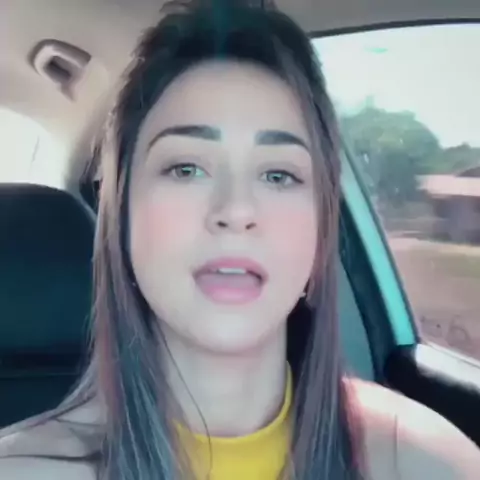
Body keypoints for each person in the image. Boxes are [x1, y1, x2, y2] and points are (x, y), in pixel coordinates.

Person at [0, 1, 479, 479]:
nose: (236, 211)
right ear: (122, 214)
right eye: (186, 169)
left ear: (321, 228)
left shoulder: (423, 463)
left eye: (278, 175)